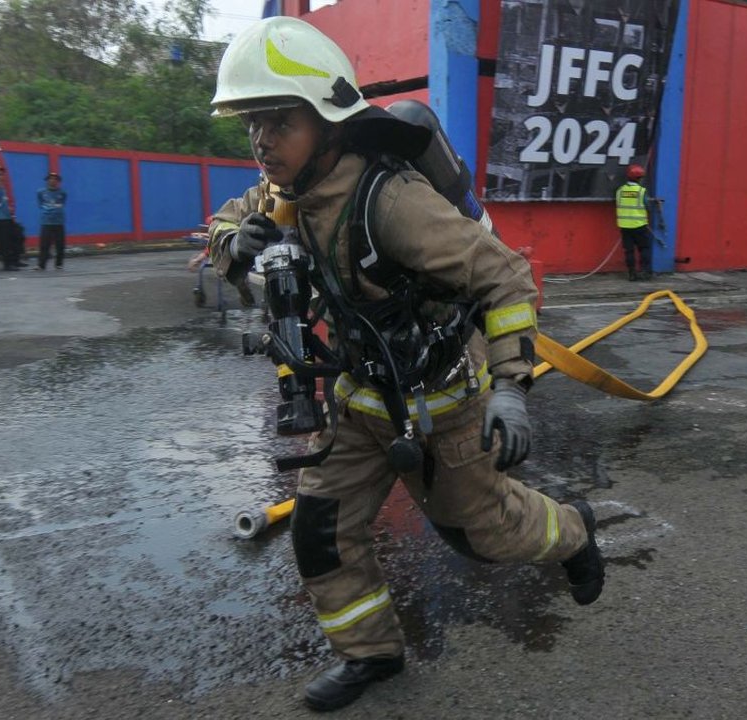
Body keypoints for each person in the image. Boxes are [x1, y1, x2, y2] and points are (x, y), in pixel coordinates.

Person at [205, 17, 604, 712]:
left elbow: (505, 277)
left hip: (440, 398)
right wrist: (234, 245)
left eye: (279, 122)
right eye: (252, 124)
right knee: (320, 528)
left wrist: (511, 388)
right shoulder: (284, 192)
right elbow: (220, 222)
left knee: (482, 536)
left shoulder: (389, 201)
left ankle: (574, 532)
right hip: (360, 398)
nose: (262, 141)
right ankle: (372, 653)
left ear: (327, 120)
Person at [616, 164, 654, 281]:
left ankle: (632, 273)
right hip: (639, 225)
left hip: (624, 226)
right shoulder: (641, 191)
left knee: (629, 250)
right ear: (639, 179)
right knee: (644, 248)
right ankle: (645, 272)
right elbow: (648, 207)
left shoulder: (620, 190)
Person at [0, 166, 25, 270]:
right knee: (4, 242)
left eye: (1, 175)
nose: (0, 177)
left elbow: (4, 202)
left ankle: (15, 260)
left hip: (7, 217)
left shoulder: (2, 187)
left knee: (18, 235)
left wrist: (11, 213)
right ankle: (8, 264)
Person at [36, 171, 67, 271]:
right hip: (46, 221)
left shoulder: (62, 193)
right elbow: (40, 203)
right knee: (44, 244)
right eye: (50, 179)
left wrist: (55, 209)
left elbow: (62, 203)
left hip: (58, 221)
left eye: (55, 179)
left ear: (58, 182)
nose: (52, 181)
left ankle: (59, 264)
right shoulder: (41, 192)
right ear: (47, 181)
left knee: (60, 244)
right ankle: (41, 265)